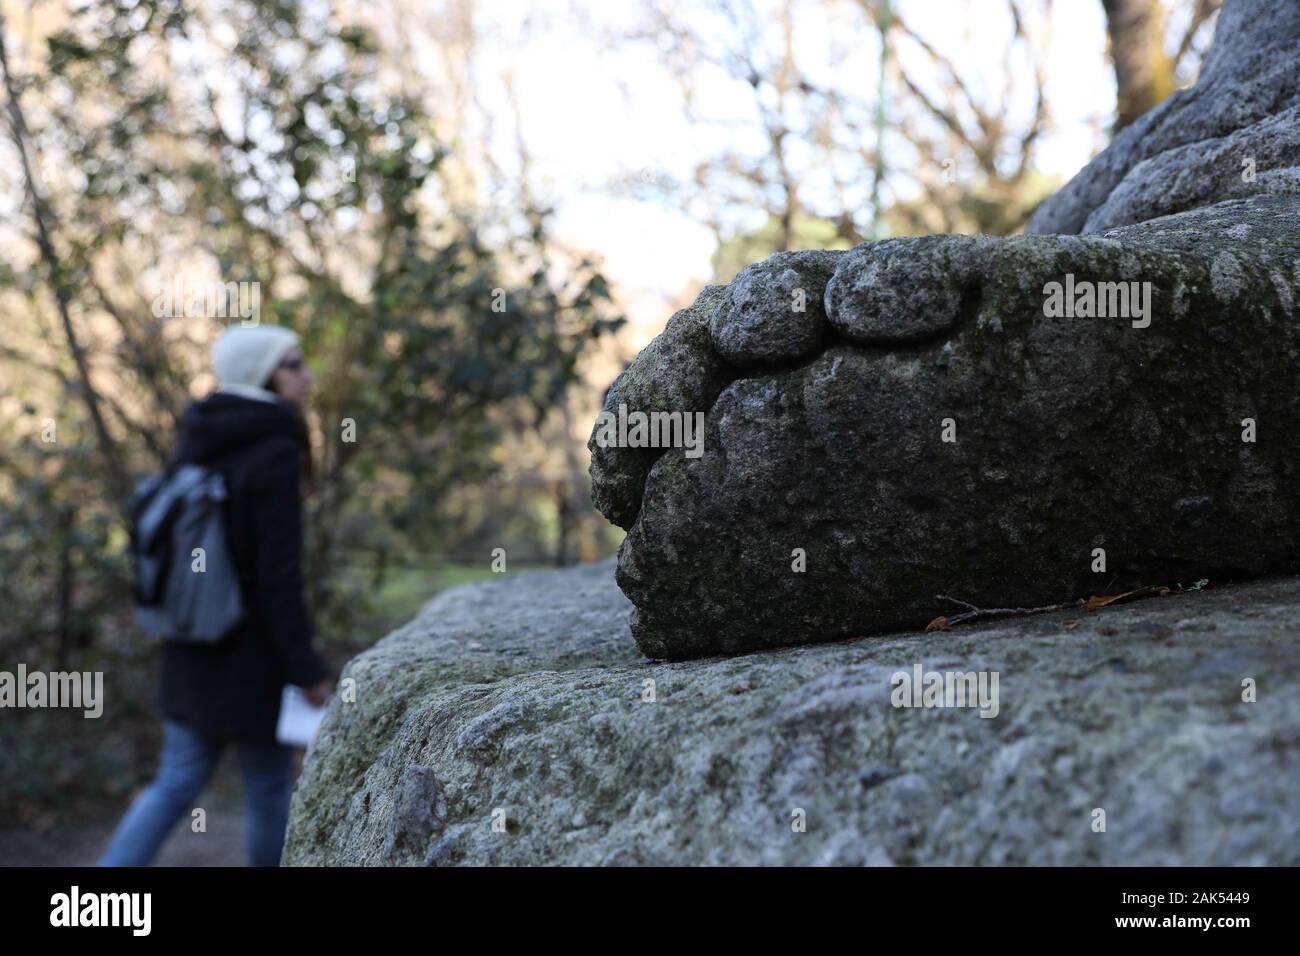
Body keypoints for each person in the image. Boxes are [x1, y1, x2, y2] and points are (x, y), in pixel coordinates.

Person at [99, 324, 334, 867]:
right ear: (263, 374)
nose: (307, 377)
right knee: (270, 787)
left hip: (190, 644)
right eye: (293, 365)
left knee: (174, 781)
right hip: (252, 657)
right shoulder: (274, 448)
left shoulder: (201, 432)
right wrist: (306, 668)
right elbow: (278, 577)